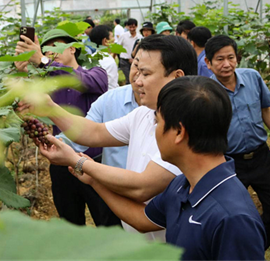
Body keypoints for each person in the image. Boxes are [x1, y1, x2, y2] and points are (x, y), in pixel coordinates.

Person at [40, 77, 267, 261]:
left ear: (179, 132)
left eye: (157, 122)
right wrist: (93, 180)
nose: (153, 130)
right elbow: (142, 219)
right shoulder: (182, 185)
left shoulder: (233, 219)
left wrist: (81, 163)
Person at [18, 34, 198, 241]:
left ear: (176, 77)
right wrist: (49, 108)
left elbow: (142, 187)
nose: (136, 80)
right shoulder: (145, 114)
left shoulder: (186, 129)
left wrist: (77, 162)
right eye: (136, 70)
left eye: (146, 74)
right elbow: (93, 132)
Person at [204, 35, 270, 249]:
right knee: (229, 213)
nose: (226, 64)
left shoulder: (253, 77)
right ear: (208, 63)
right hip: (228, 162)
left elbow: (266, 111)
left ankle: (255, 247)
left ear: (237, 58)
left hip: (260, 157)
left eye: (231, 57)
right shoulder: (206, 92)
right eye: (219, 59)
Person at [15, 29, 111, 226]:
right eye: (47, 49)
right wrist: (22, 71)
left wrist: (43, 60)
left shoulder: (96, 73)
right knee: (69, 223)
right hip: (62, 165)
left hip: (95, 163)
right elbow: (25, 101)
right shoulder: (48, 84)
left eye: (56, 46)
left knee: (106, 220)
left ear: (73, 48)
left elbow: (86, 83)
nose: (52, 52)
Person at [88, 25, 119, 89]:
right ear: (105, 41)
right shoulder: (109, 63)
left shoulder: (89, 59)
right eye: (112, 37)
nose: (114, 39)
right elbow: (112, 88)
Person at [116, 18, 142, 84]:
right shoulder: (123, 36)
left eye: (133, 27)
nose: (132, 29)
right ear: (127, 27)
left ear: (136, 26)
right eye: (130, 27)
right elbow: (118, 47)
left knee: (135, 78)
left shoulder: (140, 37)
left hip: (136, 61)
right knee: (129, 79)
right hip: (124, 61)